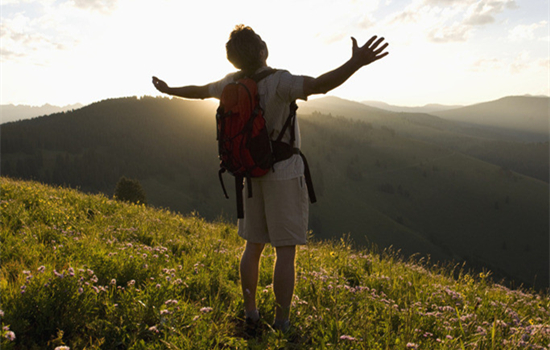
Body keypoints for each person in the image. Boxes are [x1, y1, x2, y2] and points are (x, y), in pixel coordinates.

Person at [152, 25, 389, 334]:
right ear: (263, 50)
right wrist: (355, 62)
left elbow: (199, 91)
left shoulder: (229, 84)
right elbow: (320, 85)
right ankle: (281, 322)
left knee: (253, 247)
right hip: (284, 173)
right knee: (284, 252)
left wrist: (170, 90)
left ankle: (250, 313)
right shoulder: (280, 81)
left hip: (248, 174)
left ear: (233, 60)